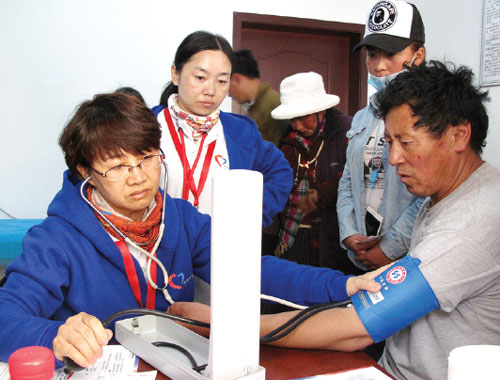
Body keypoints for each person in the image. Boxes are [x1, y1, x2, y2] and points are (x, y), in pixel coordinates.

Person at [0, 92, 382, 369]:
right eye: (117, 166)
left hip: (176, 367)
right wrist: (56, 336)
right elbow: (6, 315)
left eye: (147, 158)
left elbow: (252, 270)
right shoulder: (58, 237)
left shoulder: (180, 218)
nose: (138, 178)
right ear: (85, 172)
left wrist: (342, 285)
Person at [171, 60, 500, 380]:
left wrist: (224, 323)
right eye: (389, 143)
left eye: (406, 143)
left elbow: (357, 327)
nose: (395, 158)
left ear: (458, 136)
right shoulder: (446, 197)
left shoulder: (472, 220)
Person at [152, 31, 292, 228]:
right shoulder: (144, 127)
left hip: (218, 251)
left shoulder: (241, 132)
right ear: (176, 74)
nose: (211, 90)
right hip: (158, 249)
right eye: (200, 77)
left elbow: (280, 172)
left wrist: (250, 216)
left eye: (222, 81)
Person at [337, 0, 426, 271]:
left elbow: (430, 195)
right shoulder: (363, 116)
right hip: (360, 255)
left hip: (409, 258)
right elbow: (348, 181)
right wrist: (349, 234)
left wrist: (388, 249)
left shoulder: (431, 115)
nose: (379, 66)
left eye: (390, 54)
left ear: (418, 56)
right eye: (372, 54)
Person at [270, 71, 360, 274]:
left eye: (303, 118)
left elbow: (358, 178)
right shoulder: (288, 142)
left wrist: (322, 195)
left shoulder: (348, 130)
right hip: (291, 235)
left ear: (322, 110)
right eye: (292, 120)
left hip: (332, 239)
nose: (297, 126)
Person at [229, 49, 288, 146]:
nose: (229, 94)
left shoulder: (272, 104)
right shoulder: (257, 106)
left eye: (226, 84)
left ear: (236, 79)